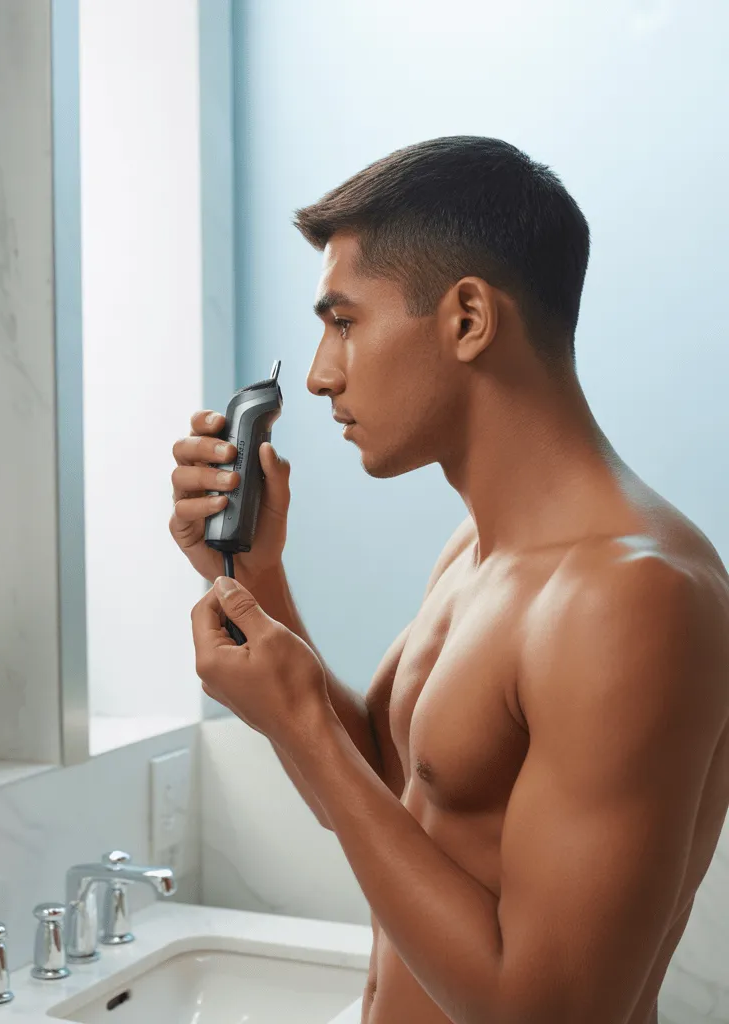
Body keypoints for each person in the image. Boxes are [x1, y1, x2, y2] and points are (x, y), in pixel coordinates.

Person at [172, 137, 729, 1024]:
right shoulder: (477, 552)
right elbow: (399, 804)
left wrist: (300, 723)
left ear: (468, 317)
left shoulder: (630, 600)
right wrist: (257, 582)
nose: (319, 375)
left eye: (344, 322)